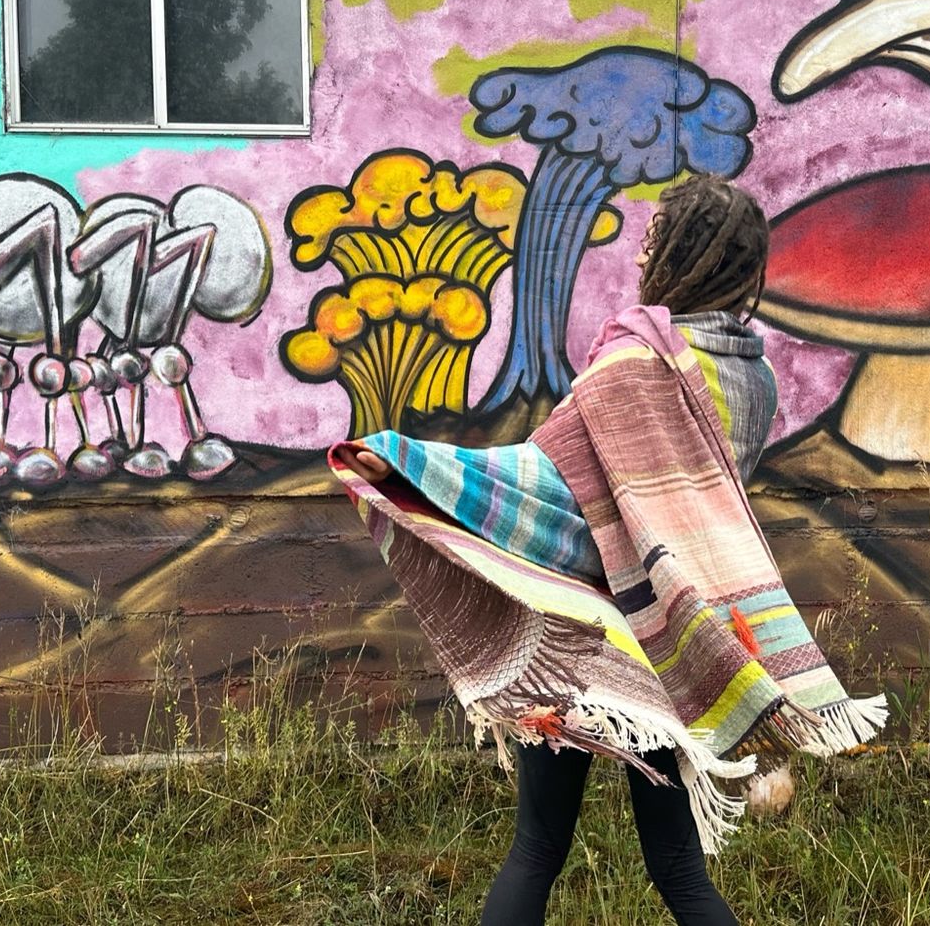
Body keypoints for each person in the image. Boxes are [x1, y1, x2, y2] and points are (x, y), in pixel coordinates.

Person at [335, 175, 886, 925]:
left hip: (579, 635)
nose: (640, 252)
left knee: (537, 846)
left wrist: (404, 463)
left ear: (680, 256)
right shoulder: (755, 381)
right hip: (673, 638)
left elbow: (544, 484)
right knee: (677, 870)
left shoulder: (633, 365)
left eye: (655, 239)